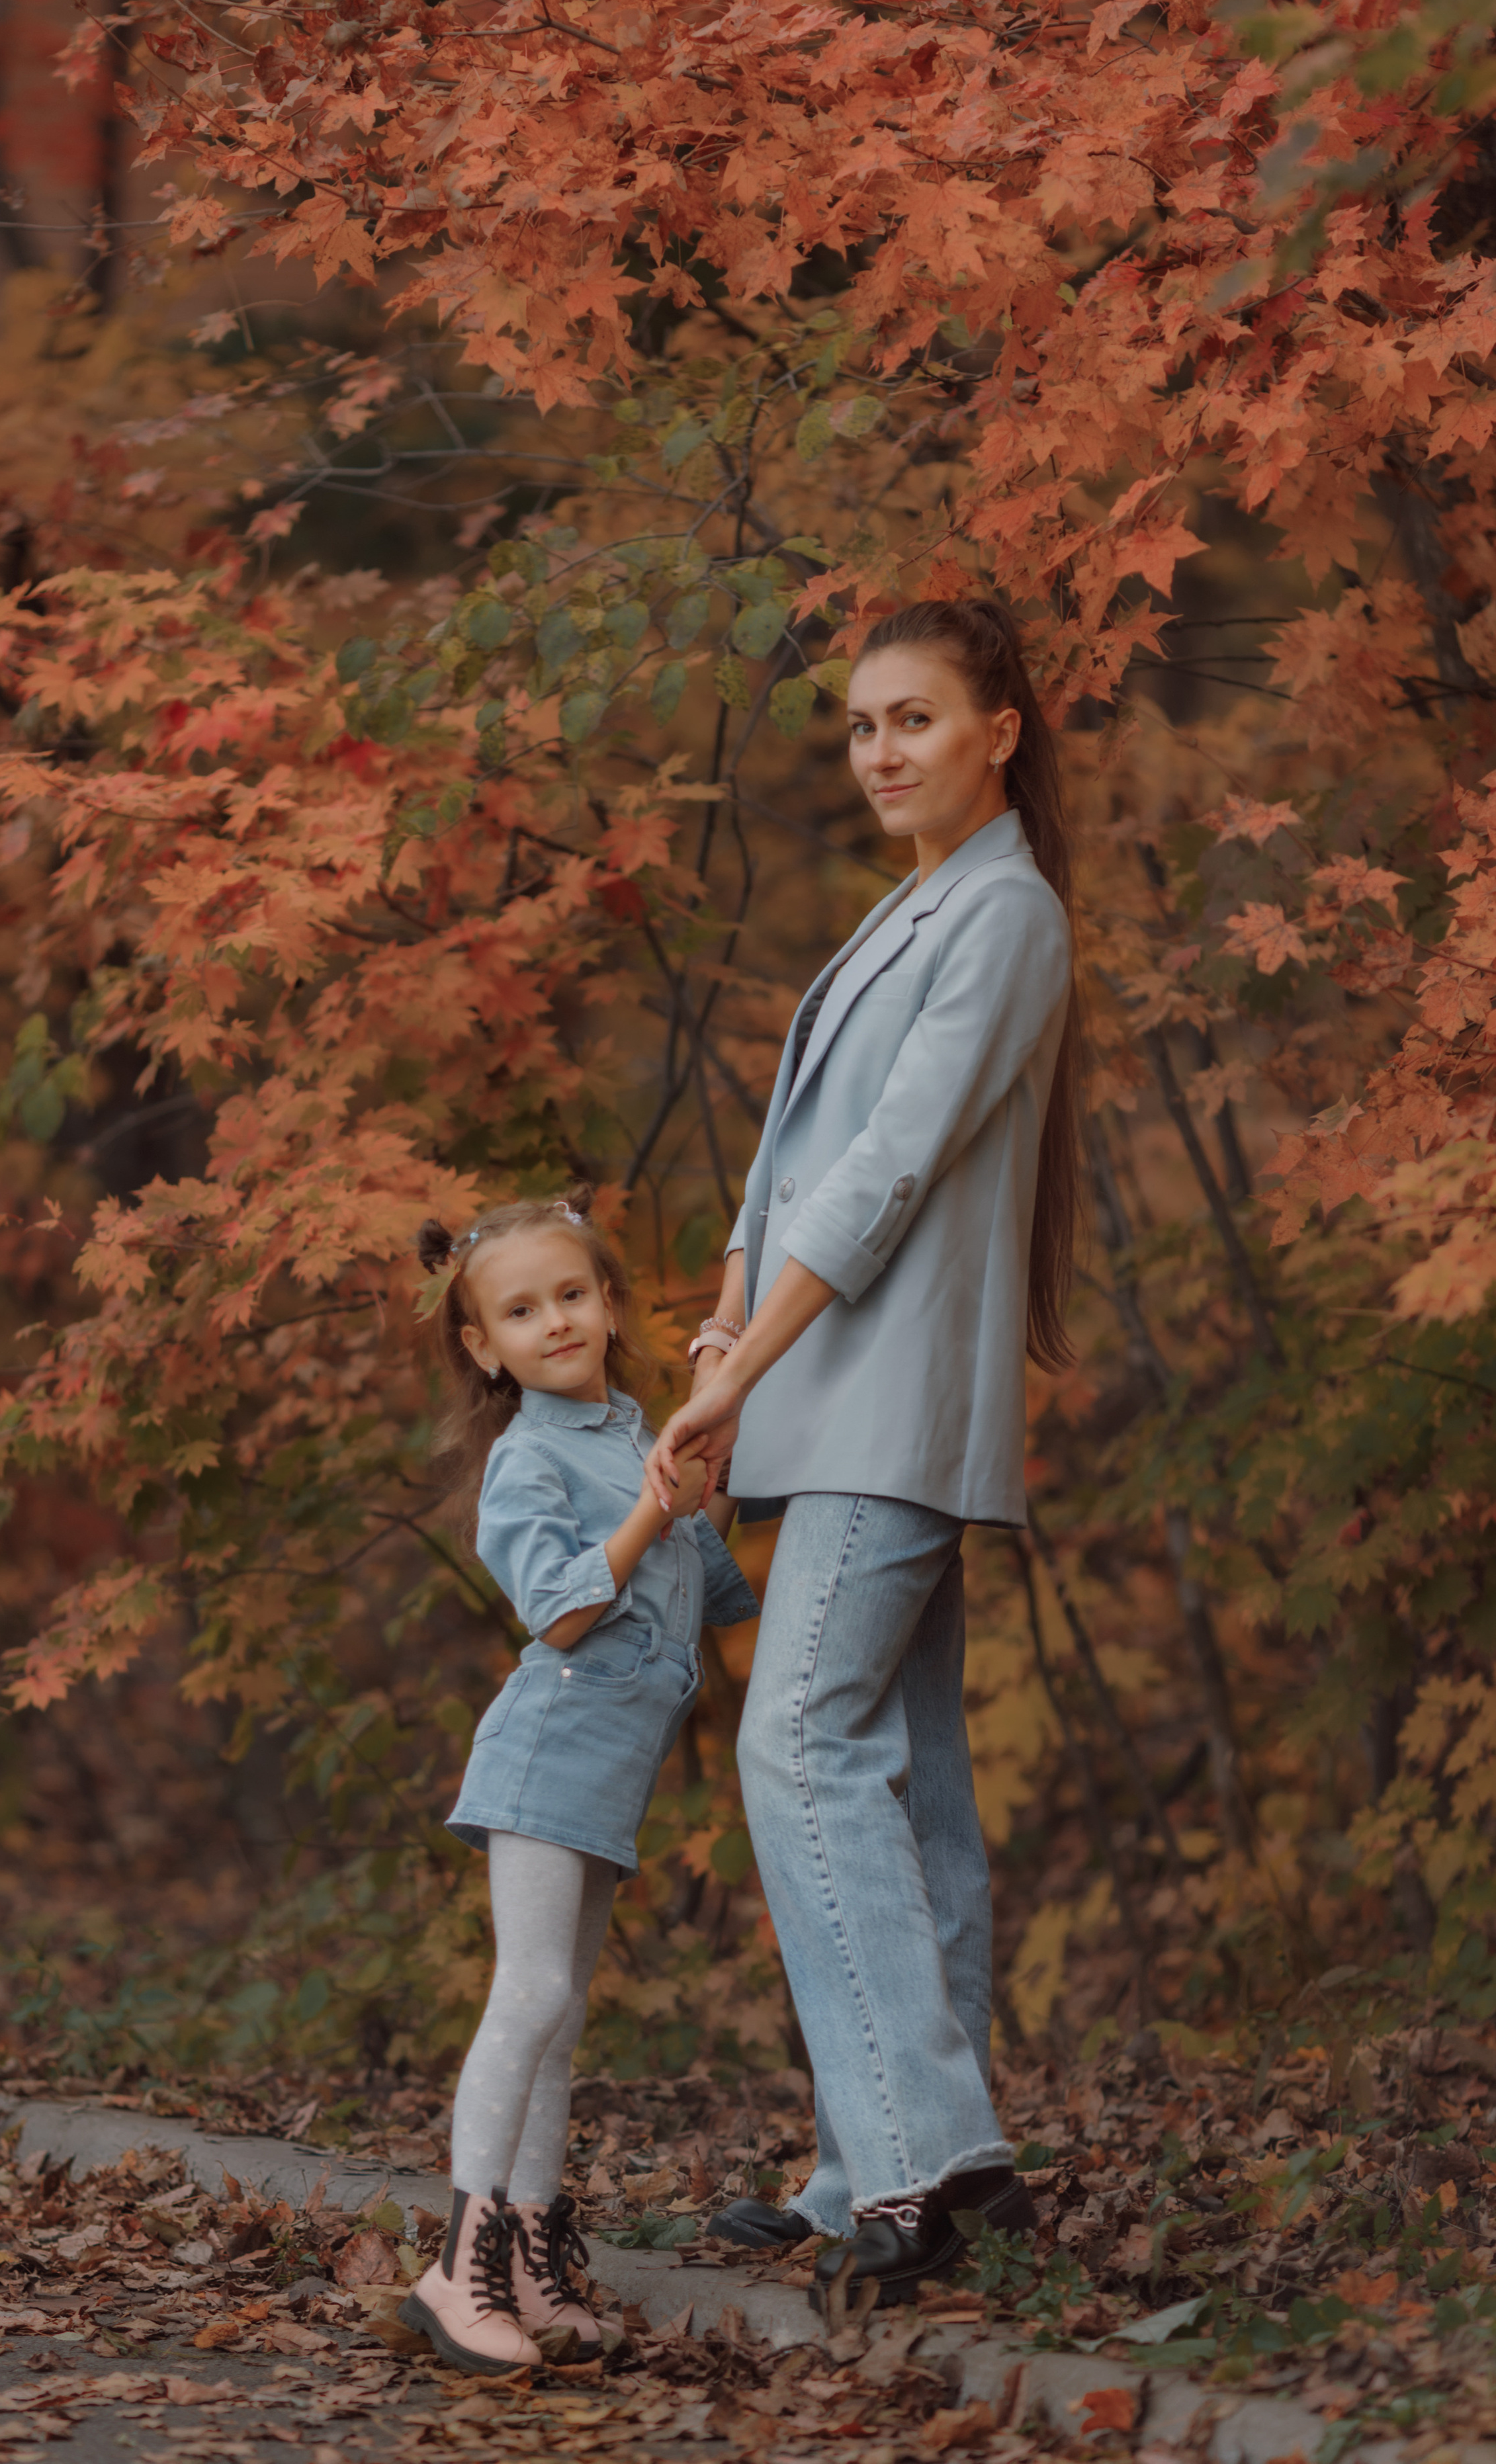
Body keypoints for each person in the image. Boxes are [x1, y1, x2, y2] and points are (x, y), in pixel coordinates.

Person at [645, 598, 1080, 2316]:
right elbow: (789, 1167)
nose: (883, 751)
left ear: (1002, 732)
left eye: (915, 719)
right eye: (861, 726)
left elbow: (888, 1173)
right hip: (825, 1400)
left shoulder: (1007, 917)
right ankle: (882, 2160)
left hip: (893, 1409)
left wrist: (745, 1363)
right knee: (899, 1765)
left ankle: (915, 2152)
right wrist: (728, 1344)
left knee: (799, 1741)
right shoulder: (916, 909)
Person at [401, 1187, 759, 2375]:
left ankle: (539, 2261)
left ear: (607, 1302)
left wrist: (706, 1479)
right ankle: (463, 2267)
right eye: (520, 1309)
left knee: (562, 2019)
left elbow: (710, 1576)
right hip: (550, 1749)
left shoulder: (627, 1432)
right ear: (482, 1345)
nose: (553, 1320)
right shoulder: (529, 1461)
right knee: (533, 1994)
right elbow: (559, 1612)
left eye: (571, 1294)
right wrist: (655, 1513)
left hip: (611, 1774)